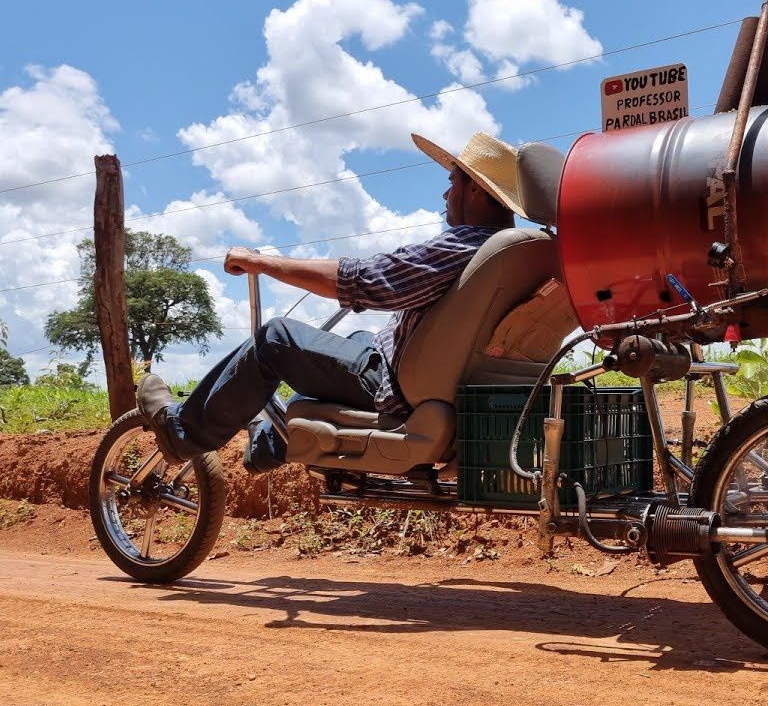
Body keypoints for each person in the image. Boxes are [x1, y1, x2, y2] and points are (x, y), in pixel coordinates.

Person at [135, 131, 526, 467]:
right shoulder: (523, 253)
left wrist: (261, 262)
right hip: (448, 384)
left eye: (453, 180)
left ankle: (182, 431)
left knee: (276, 338)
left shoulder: (466, 246)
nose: (446, 191)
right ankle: (269, 443)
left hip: (398, 389)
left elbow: (369, 281)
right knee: (358, 338)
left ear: (475, 188)